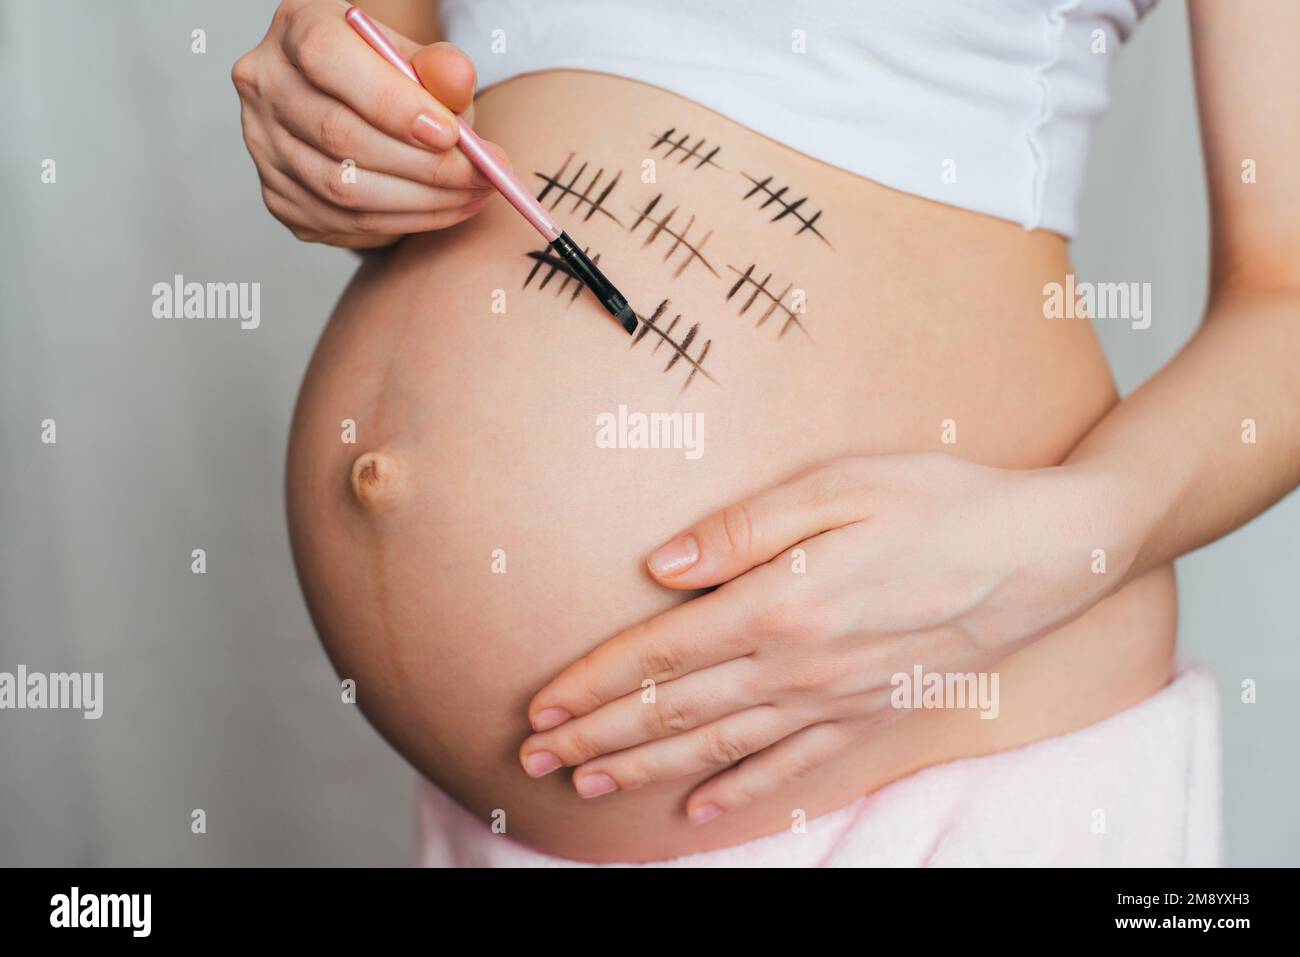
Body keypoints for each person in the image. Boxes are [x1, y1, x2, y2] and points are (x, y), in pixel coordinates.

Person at [233, 0, 1300, 865]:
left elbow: (1287, 298)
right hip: (519, 813)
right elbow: (389, 47)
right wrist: (335, 103)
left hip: (928, 761)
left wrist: (1069, 537)